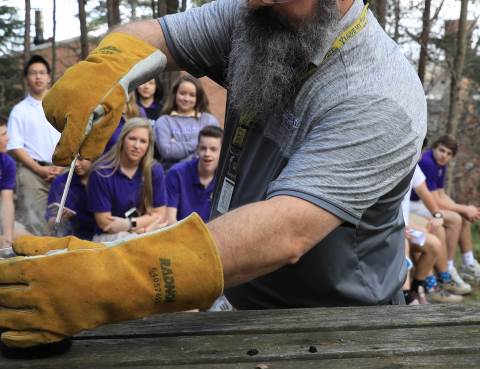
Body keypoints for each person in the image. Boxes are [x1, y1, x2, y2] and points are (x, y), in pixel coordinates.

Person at [0, 0, 428, 351]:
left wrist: (107, 277)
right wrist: (107, 68)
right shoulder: (257, 16)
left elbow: (288, 230)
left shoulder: (379, 96)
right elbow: (157, 35)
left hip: (345, 333)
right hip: (241, 306)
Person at [410, 134, 480, 285]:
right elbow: (436, 201)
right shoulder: (428, 162)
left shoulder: (440, 163)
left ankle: (468, 263)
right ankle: (448, 268)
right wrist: (464, 208)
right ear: (434, 147)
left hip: (423, 203)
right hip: (413, 205)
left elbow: (441, 193)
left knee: (462, 216)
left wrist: (463, 209)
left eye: (449, 154)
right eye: (442, 150)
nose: (444, 156)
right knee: (455, 219)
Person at [7, 55, 63, 235]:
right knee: (36, 222)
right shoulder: (19, 111)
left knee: (65, 221)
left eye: (42, 73)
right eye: (33, 73)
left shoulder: (61, 106)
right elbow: (15, 146)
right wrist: (40, 170)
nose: (38, 77)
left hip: (63, 170)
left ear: (49, 77)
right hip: (32, 173)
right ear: (26, 79)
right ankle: (43, 261)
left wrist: (61, 167)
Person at [88, 117, 167, 242]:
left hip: (146, 233)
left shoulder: (154, 170)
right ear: (122, 140)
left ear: (148, 145)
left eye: (143, 141)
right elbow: (106, 224)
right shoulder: (101, 173)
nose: (137, 146)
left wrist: (128, 224)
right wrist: (144, 228)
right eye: (132, 139)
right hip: (109, 239)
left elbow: (160, 215)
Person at [401, 165, 463, 305]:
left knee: (434, 245)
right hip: (389, 227)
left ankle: (417, 288)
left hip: (405, 226)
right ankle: (405, 295)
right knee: (402, 242)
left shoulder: (413, 166)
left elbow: (424, 192)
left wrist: (437, 214)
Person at [154, 74, 219, 171]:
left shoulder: (209, 120)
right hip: (172, 178)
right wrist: (200, 144)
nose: (186, 99)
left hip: (202, 177)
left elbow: (214, 150)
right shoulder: (163, 122)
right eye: (182, 93)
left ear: (198, 97)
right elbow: (167, 152)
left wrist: (177, 145)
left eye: (192, 95)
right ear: (175, 94)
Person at [166, 125, 223, 223]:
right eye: (203, 148)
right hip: (181, 235)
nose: (207, 154)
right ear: (197, 149)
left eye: (213, 149)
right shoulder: (177, 174)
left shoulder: (226, 180)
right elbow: (170, 221)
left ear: (222, 151)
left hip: (212, 236)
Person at [46, 157, 96, 240]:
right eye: (72, 159)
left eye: (81, 159)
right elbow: (51, 222)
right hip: (69, 237)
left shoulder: (104, 180)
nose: (75, 164)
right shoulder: (61, 181)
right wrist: (58, 219)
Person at [0, 117, 29, 247]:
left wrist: (8, 239)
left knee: (27, 241)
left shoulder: (7, 162)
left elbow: (7, 202)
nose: (8, 138)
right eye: (3, 134)